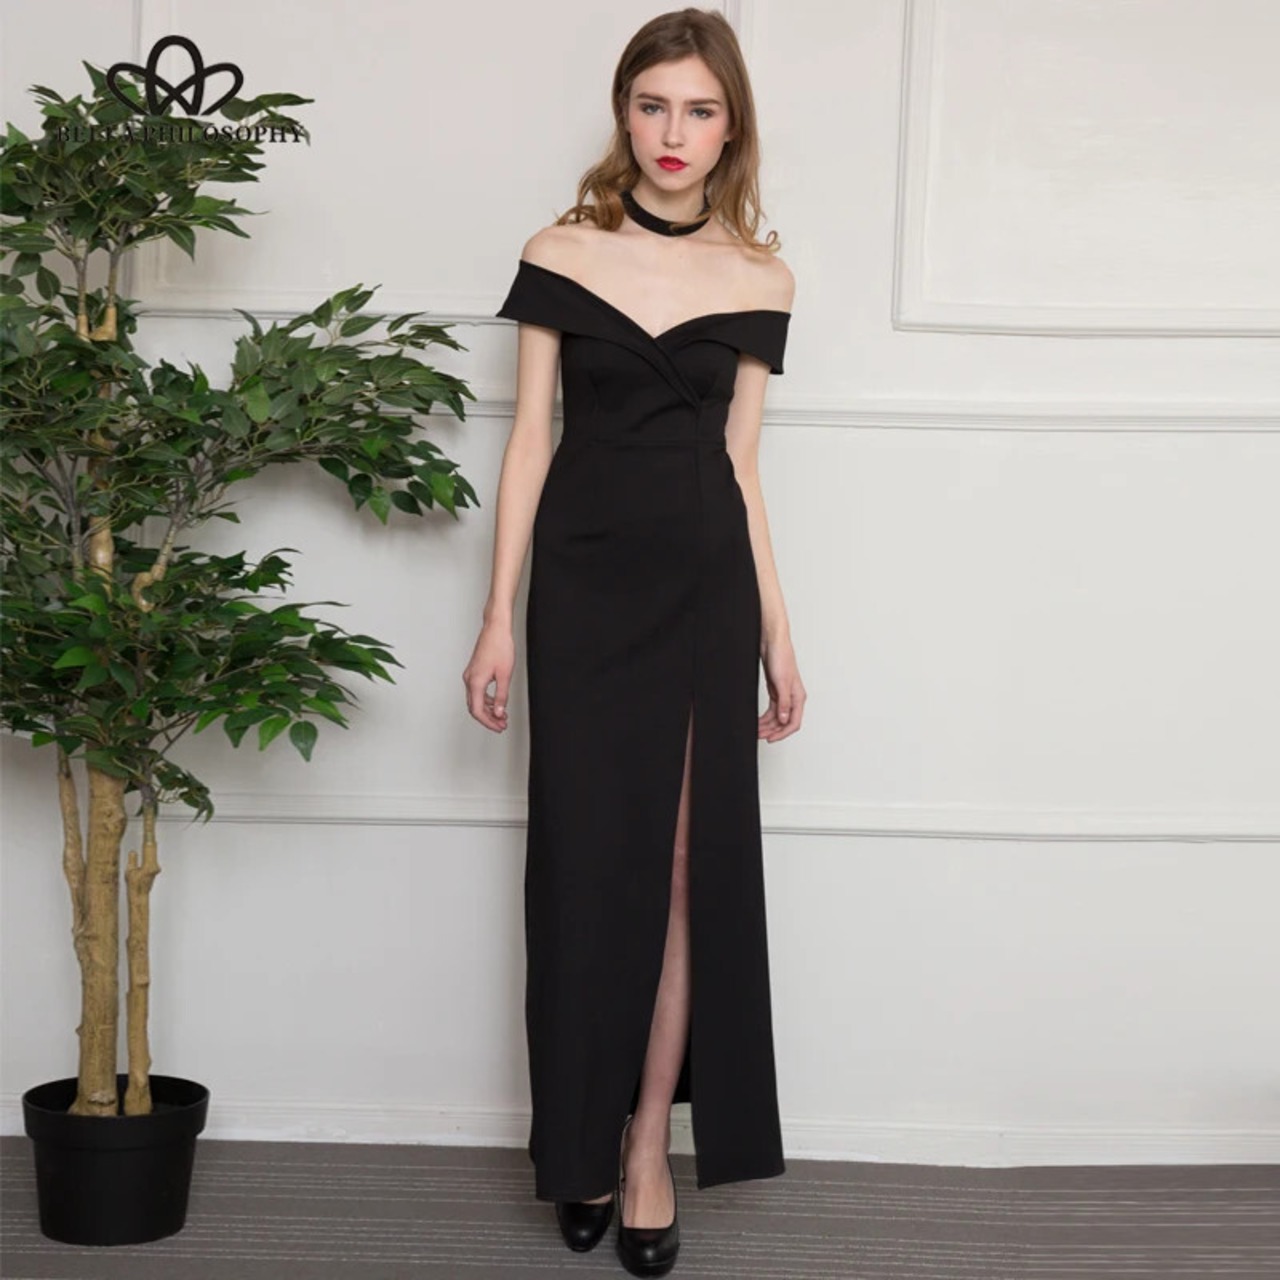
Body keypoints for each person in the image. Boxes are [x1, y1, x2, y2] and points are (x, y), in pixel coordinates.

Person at [463, 8, 805, 1275]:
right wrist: (495, 616)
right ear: (623, 112)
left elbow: (743, 467)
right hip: (582, 587)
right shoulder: (559, 251)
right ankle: (578, 1137)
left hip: (705, 588)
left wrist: (779, 635)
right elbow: (528, 439)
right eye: (653, 105)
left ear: (730, 126)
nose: (673, 132)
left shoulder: (760, 276)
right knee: (583, 859)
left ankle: (648, 1141)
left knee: (677, 870)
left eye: (699, 109)